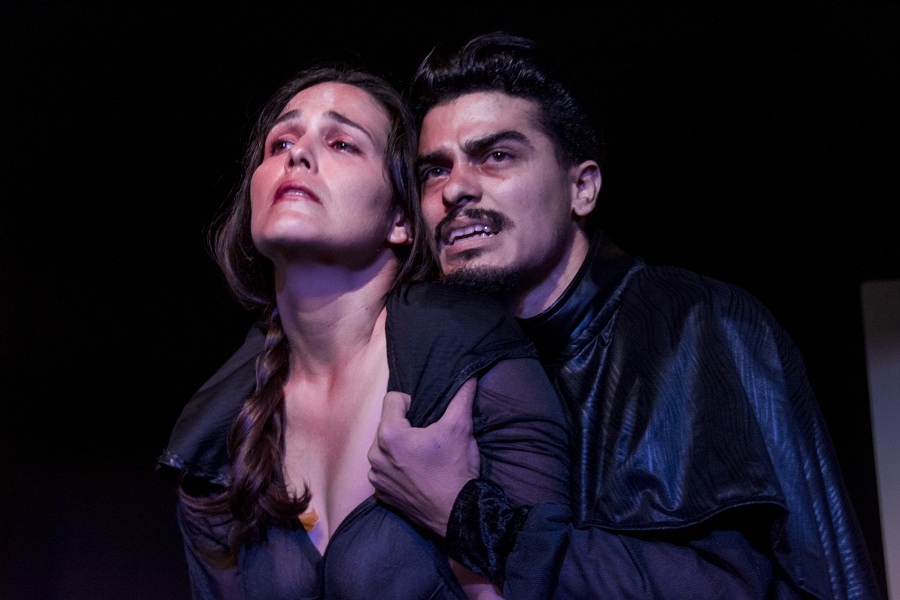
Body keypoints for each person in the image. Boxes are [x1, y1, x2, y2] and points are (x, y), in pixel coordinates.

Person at [366, 32, 883, 599]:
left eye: (497, 156)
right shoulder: (436, 359)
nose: (456, 189)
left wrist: (465, 514)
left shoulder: (692, 324)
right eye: (434, 171)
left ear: (582, 188)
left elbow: (721, 586)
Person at [156, 64, 571, 599]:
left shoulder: (466, 352)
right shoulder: (217, 435)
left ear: (401, 217)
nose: (297, 155)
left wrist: (458, 513)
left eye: (342, 144)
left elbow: (548, 579)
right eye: (281, 142)